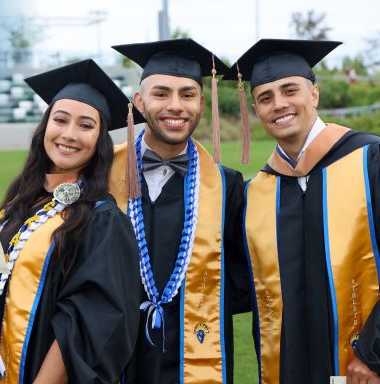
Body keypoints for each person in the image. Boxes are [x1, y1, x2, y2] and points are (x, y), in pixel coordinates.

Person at [226, 39, 380, 383]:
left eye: (290, 90)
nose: (279, 105)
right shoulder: (257, 192)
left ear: (314, 94)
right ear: (256, 110)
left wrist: (378, 355)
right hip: (290, 369)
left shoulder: (376, 162)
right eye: (266, 97)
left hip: (367, 368)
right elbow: (241, 283)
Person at [0, 59, 145, 384]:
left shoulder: (102, 220)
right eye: (60, 120)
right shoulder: (16, 206)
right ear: (45, 127)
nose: (69, 134)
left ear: (100, 140)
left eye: (86, 125)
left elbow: (90, 320)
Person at [109, 39, 250, 383]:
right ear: (139, 102)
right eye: (161, 94)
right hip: (112, 352)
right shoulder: (102, 174)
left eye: (187, 95)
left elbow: (247, 276)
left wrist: (195, 296)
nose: (176, 106)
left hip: (195, 353)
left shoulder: (227, 186)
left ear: (202, 104)